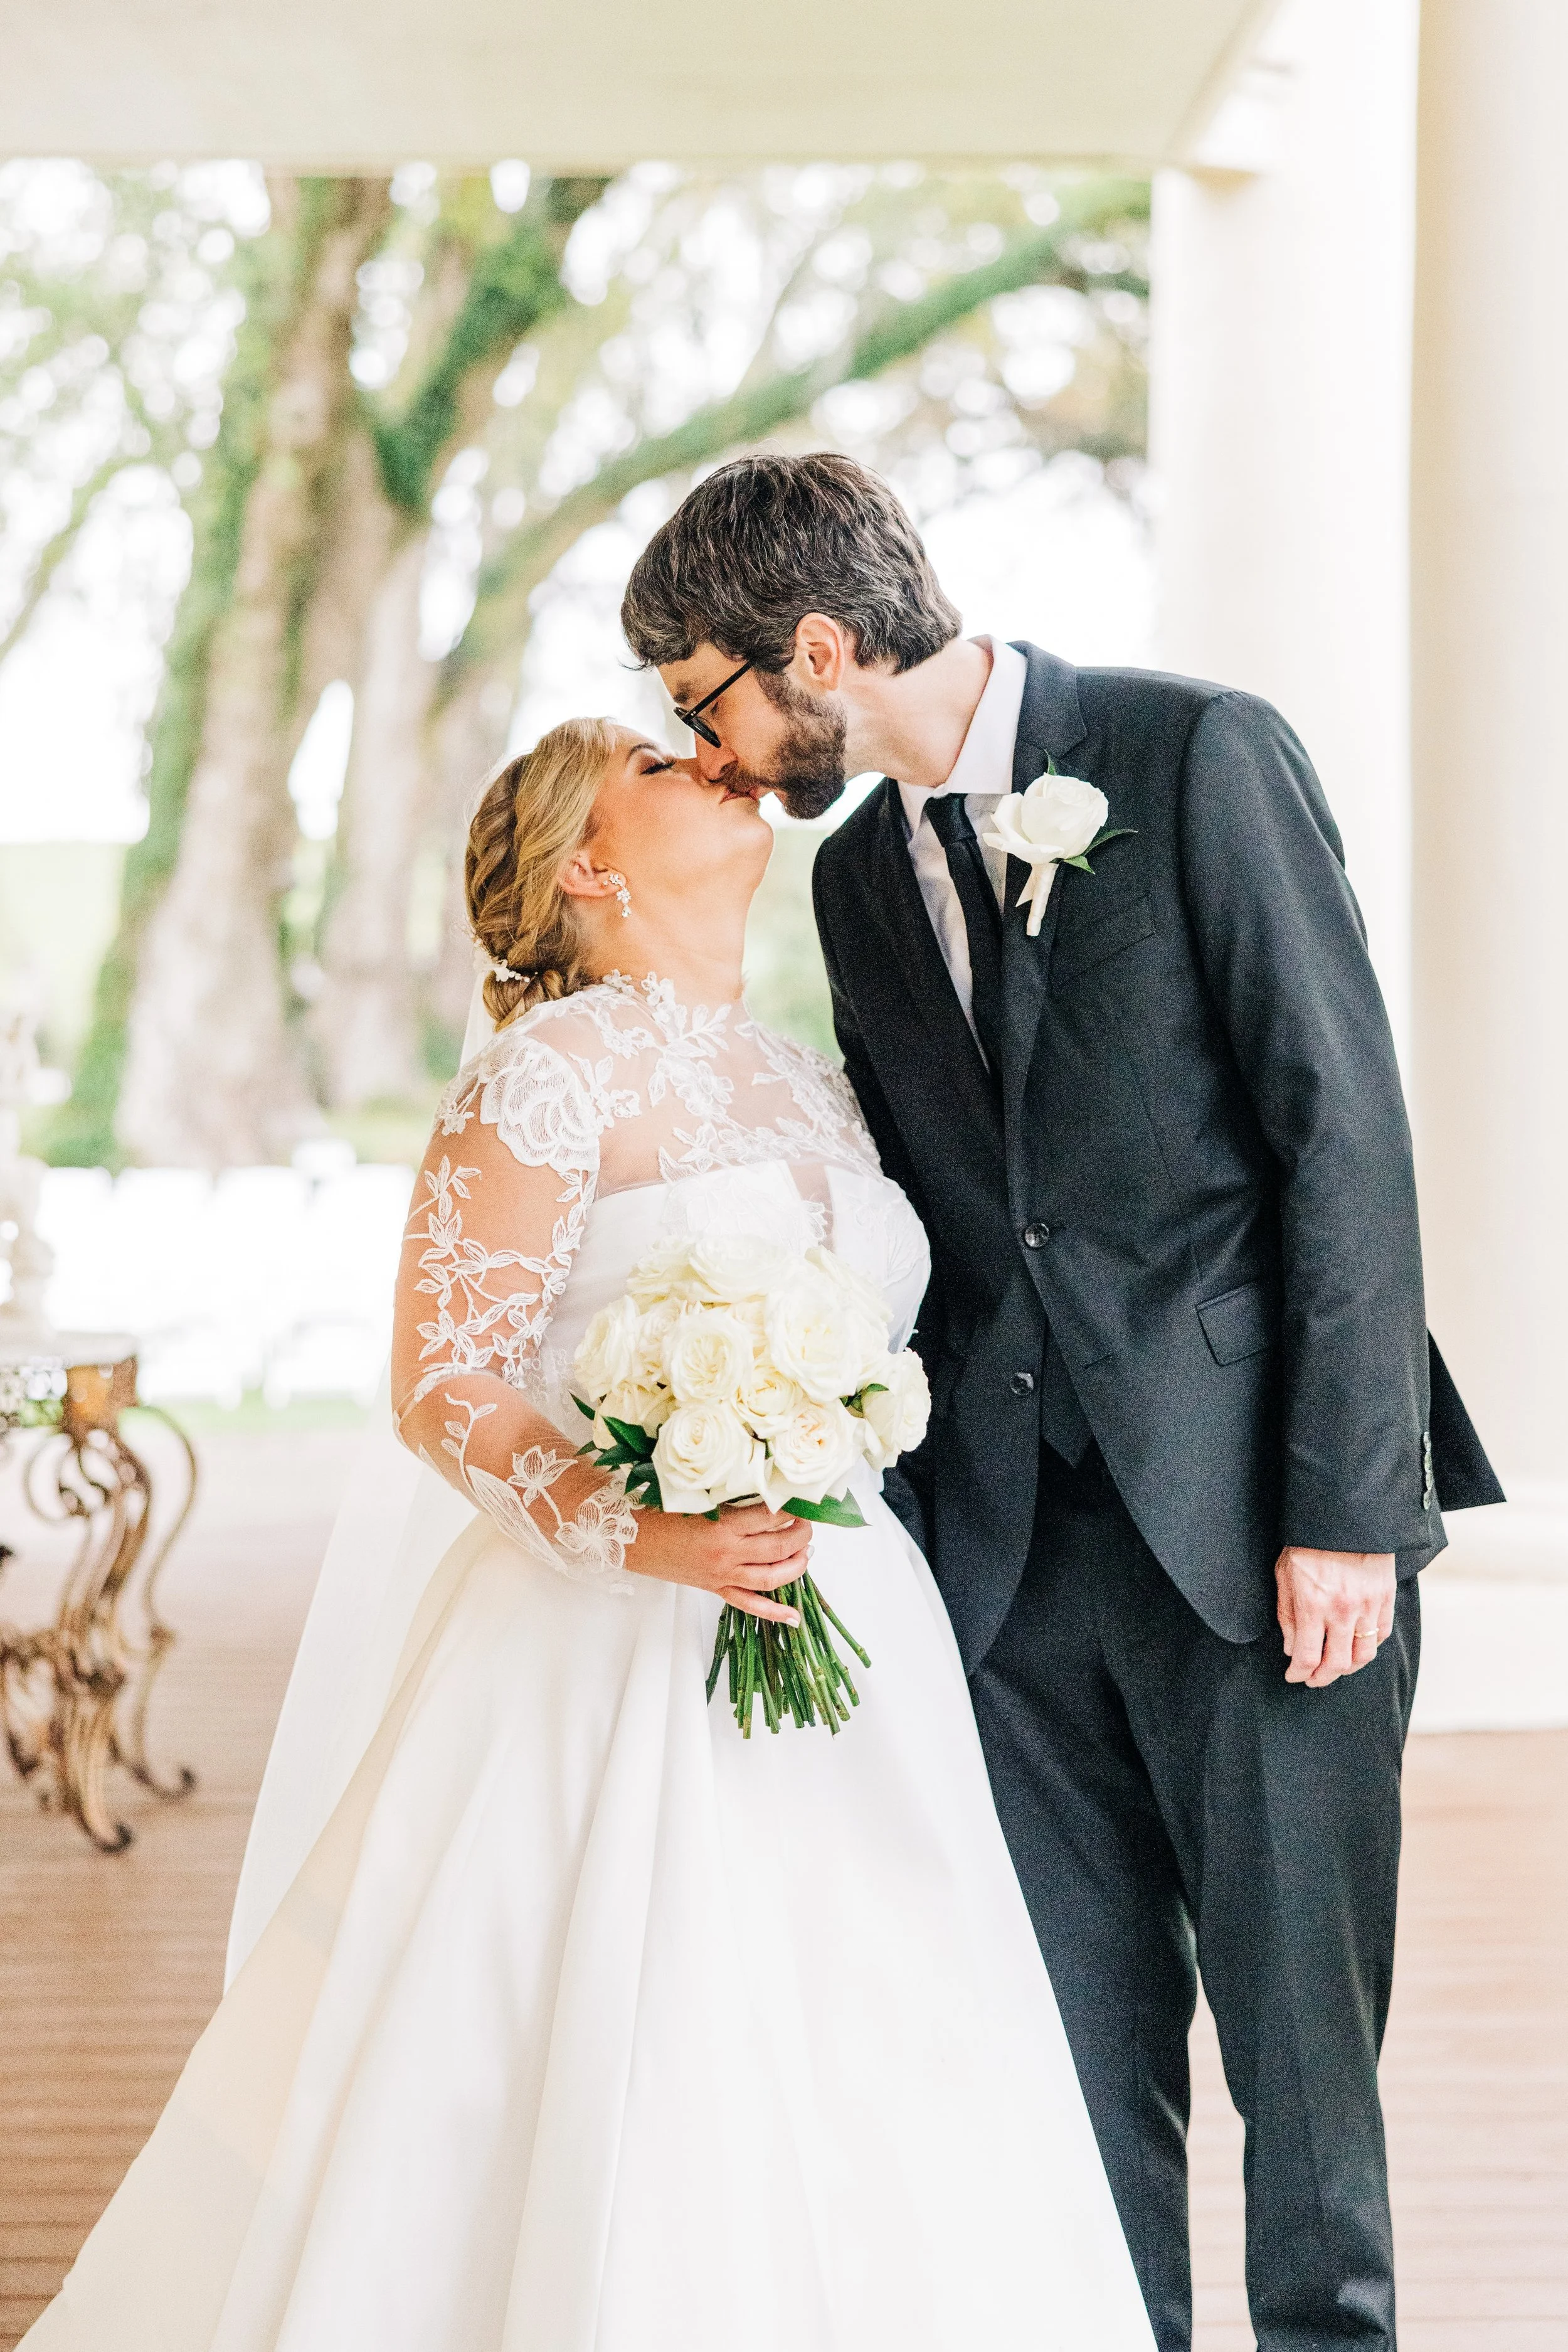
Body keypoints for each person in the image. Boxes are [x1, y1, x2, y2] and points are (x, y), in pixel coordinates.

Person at [21, 718, 1155, 2351]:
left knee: (876, 2031)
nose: (710, 755)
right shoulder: (543, 1078)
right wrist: (637, 1525)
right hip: (610, 1637)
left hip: (853, 1630)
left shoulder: (805, 1072)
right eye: (653, 757)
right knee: (620, 2038)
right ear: (584, 863)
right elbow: (444, 1380)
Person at [619, 452, 1503, 2352]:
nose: (705, 743)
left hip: (1264, 1548)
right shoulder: (860, 875)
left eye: (708, 696)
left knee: (1302, 2076)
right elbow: (944, 1206)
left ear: (824, 649)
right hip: (1007, 1573)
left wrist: (1346, 1500)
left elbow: (1341, 1130)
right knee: (1079, 2075)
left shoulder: (1200, 759)